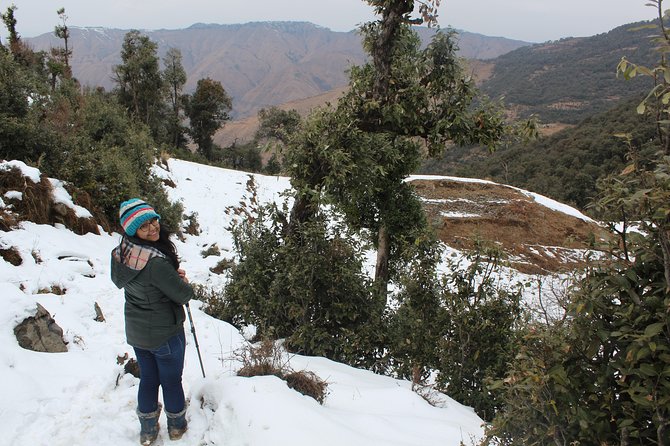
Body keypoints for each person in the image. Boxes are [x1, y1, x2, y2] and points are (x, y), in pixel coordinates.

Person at [110, 198, 194, 445]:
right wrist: (181, 281)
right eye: (143, 225)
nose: (153, 227)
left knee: (148, 378)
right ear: (131, 229)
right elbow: (183, 294)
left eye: (153, 220)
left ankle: (147, 430)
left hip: (137, 332)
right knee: (170, 380)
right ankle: (177, 426)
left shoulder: (120, 253)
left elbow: (143, 282)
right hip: (165, 332)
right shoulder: (154, 261)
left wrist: (168, 276)